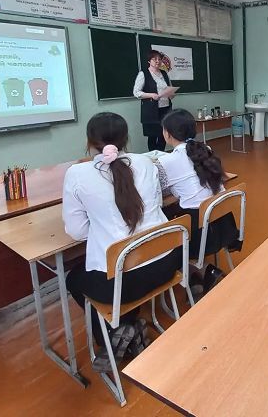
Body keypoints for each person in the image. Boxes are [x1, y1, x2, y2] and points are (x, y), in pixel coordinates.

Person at [63, 112, 181, 371]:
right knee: (119, 271)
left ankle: (117, 332)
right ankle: (128, 327)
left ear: (89, 141)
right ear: (126, 138)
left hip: (123, 283)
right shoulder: (146, 162)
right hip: (166, 264)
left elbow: (77, 231)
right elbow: (157, 204)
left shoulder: (77, 174)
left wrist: (103, 225)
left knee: (74, 278)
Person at [157, 109, 241, 292]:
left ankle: (198, 272)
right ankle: (200, 273)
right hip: (224, 225)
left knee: (165, 224)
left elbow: (159, 193)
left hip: (200, 233)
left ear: (167, 134)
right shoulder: (205, 150)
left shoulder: (166, 162)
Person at [133, 50, 176, 151]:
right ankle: (153, 156)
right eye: (154, 59)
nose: (157, 61)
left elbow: (169, 88)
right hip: (151, 110)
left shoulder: (164, 73)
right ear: (149, 61)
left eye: (159, 59)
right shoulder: (143, 74)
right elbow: (136, 92)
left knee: (164, 134)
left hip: (165, 108)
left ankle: (160, 154)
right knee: (152, 135)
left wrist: (171, 94)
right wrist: (151, 95)